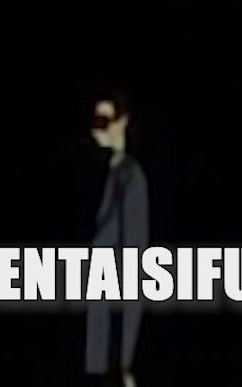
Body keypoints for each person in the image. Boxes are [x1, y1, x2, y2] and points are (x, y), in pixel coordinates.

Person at [87, 91, 148, 387]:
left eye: (104, 121)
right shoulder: (112, 175)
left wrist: (126, 360)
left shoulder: (130, 176)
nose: (96, 129)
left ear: (122, 122)